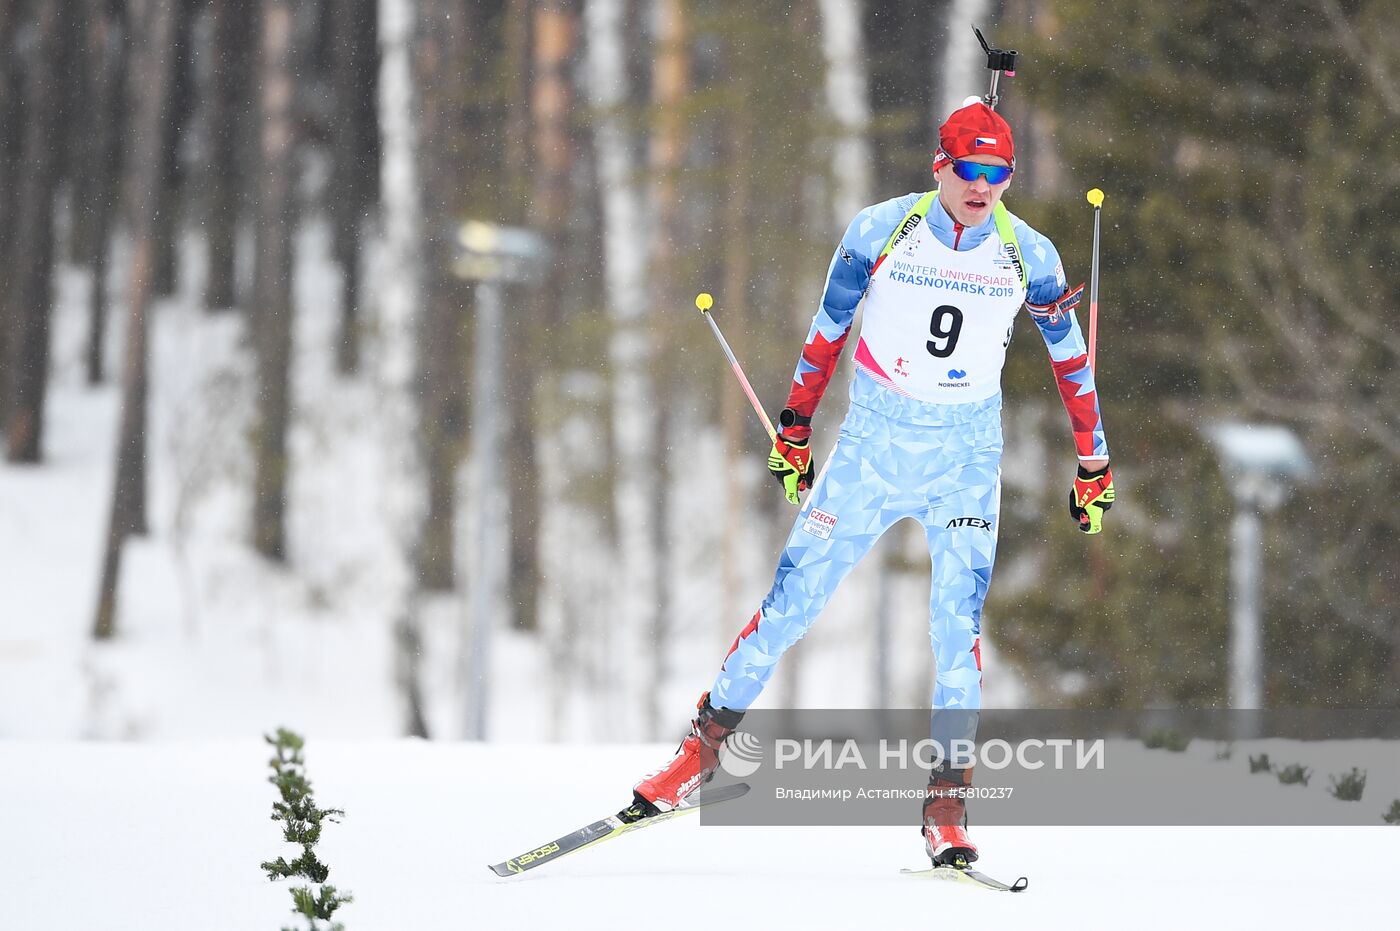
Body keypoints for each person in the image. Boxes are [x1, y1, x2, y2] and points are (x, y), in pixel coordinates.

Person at [632, 99, 1114, 867]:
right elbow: (827, 331)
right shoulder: (881, 229)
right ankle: (703, 752)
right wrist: (794, 426)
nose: (984, 186)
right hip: (873, 446)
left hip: (965, 456)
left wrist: (1093, 461)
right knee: (791, 602)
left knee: (957, 630)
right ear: (941, 166)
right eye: (971, 169)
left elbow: (1070, 360)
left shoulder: (1032, 254)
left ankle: (946, 804)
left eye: (999, 173)